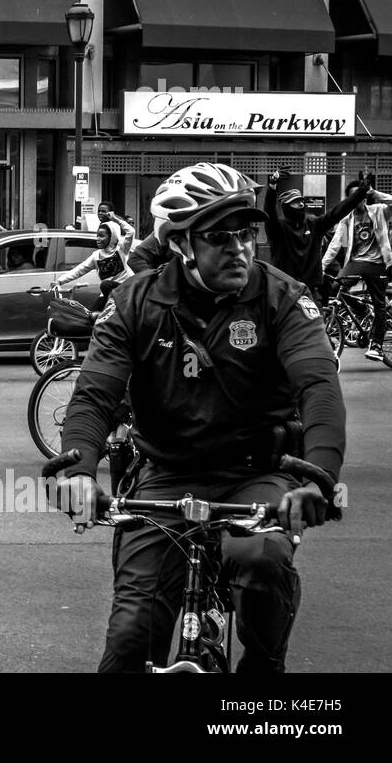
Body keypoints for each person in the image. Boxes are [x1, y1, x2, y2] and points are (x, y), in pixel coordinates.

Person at [56, 162, 344, 673]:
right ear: (181, 244)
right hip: (165, 476)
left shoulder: (283, 299)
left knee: (260, 562)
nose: (239, 248)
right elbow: (95, 395)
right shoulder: (134, 302)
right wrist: (79, 472)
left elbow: (319, 390)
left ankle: (263, 665)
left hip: (255, 472)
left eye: (246, 233)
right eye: (219, 237)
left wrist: (319, 479)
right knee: (129, 641)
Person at [265, 169, 382, 302]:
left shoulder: (314, 224)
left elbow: (338, 212)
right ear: (286, 206)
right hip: (284, 291)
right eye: (296, 202)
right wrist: (272, 187)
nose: (301, 204)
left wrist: (361, 192)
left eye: (302, 201)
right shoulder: (278, 228)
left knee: (318, 322)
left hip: (310, 291)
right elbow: (269, 213)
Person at [322, 177, 392, 362]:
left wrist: (374, 193)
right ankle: (362, 311)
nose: (358, 199)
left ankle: (376, 345)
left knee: (380, 304)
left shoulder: (378, 211)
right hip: (356, 263)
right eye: (354, 197)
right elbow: (335, 245)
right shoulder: (346, 220)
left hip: (377, 263)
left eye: (361, 195)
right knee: (336, 288)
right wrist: (320, 267)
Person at [52, 212, 137, 309]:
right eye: (97, 235)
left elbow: (131, 232)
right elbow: (79, 270)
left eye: (101, 236)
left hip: (127, 291)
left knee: (105, 285)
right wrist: (59, 281)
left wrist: (116, 219)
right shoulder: (96, 256)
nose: (98, 239)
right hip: (109, 295)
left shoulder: (122, 249)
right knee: (92, 317)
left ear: (112, 237)